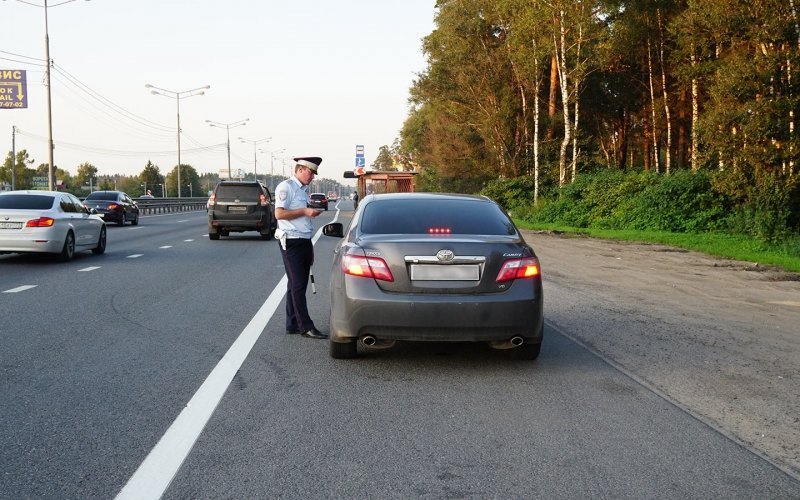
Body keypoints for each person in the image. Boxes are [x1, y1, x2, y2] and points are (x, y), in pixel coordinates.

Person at [274, 156, 327, 339]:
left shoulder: (303, 190)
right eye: (311, 172)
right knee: (298, 285)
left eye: (313, 173)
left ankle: (293, 323)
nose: (312, 176)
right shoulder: (286, 187)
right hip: (291, 241)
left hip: (303, 240)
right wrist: (305, 211)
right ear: (300, 169)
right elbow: (279, 214)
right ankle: (306, 326)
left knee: (295, 284)